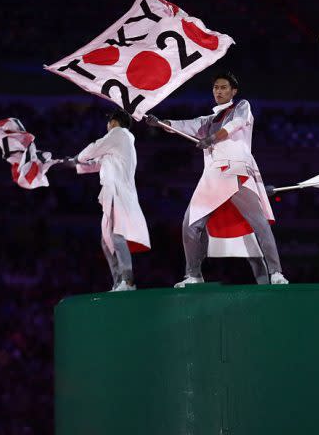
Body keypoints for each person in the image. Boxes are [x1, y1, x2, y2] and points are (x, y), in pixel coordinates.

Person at [144, 71, 288, 287]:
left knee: (259, 224)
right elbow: (184, 125)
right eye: (216, 88)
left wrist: (211, 138)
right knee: (190, 224)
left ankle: (276, 273)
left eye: (223, 87)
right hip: (212, 178)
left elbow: (234, 126)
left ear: (233, 91)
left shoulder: (241, 106)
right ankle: (193, 275)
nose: (218, 91)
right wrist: (160, 123)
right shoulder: (208, 120)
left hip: (235, 173)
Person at [64, 108, 151, 291]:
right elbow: (97, 163)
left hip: (118, 193)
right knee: (107, 241)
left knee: (117, 236)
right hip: (112, 194)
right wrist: (75, 164)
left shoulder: (119, 134)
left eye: (109, 122)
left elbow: (95, 147)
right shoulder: (117, 145)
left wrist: (77, 157)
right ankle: (118, 281)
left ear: (113, 122)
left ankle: (128, 282)